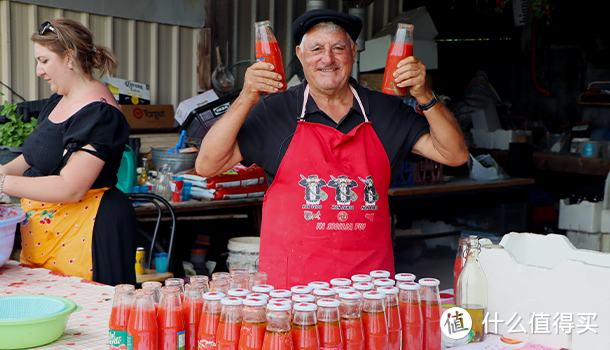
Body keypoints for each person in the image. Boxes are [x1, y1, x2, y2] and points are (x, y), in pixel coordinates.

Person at [196, 9, 469, 288]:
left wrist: (424, 94)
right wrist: (246, 97)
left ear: (352, 52)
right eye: (316, 49)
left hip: (368, 291)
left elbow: (455, 155)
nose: (327, 58)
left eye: (338, 48)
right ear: (300, 56)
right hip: (293, 294)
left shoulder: (387, 111)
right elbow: (207, 164)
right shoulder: (274, 111)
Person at [0, 18, 137, 285]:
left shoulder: (101, 113)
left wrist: (3, 183)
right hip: (51, 228)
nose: (39, 71)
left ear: (69, 58)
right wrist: (3, 171)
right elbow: (34, 156)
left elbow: (71, 187)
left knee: (86, 318)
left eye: (44, 60)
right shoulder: (58, 101)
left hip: (91, 227)